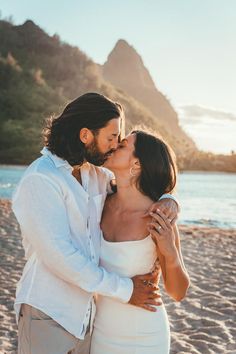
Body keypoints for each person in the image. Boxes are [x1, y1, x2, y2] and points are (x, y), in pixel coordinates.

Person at [12, 93, 179, 354]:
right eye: (112, 137)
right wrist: (126, 290)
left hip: (88, 319)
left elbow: (139, 186)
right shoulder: (41, 179)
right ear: (85, 135)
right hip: (48, 314)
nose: (115, 145)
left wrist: (169, 200)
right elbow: (61, 256)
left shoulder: (95, 175)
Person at [90, 130, 190, 354]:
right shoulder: (99, 202)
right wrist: (171, 197)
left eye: (123, 145)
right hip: (100, 330)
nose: (115, 146)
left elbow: (178, 292)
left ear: (137, 163)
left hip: (145, 335)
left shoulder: (159, 216)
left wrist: (170, 252)